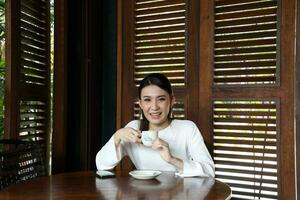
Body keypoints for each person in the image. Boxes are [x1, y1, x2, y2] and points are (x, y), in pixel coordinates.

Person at [96, 73, 214, 177]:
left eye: (161, 99)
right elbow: (101, 165)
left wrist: (172, 159)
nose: (154, 107)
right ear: (141, 104)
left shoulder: (187, 128)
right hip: (142, 194)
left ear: (172, 101)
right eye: (147, 100)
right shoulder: (133, 128)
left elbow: (209, 171)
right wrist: (116, 137)